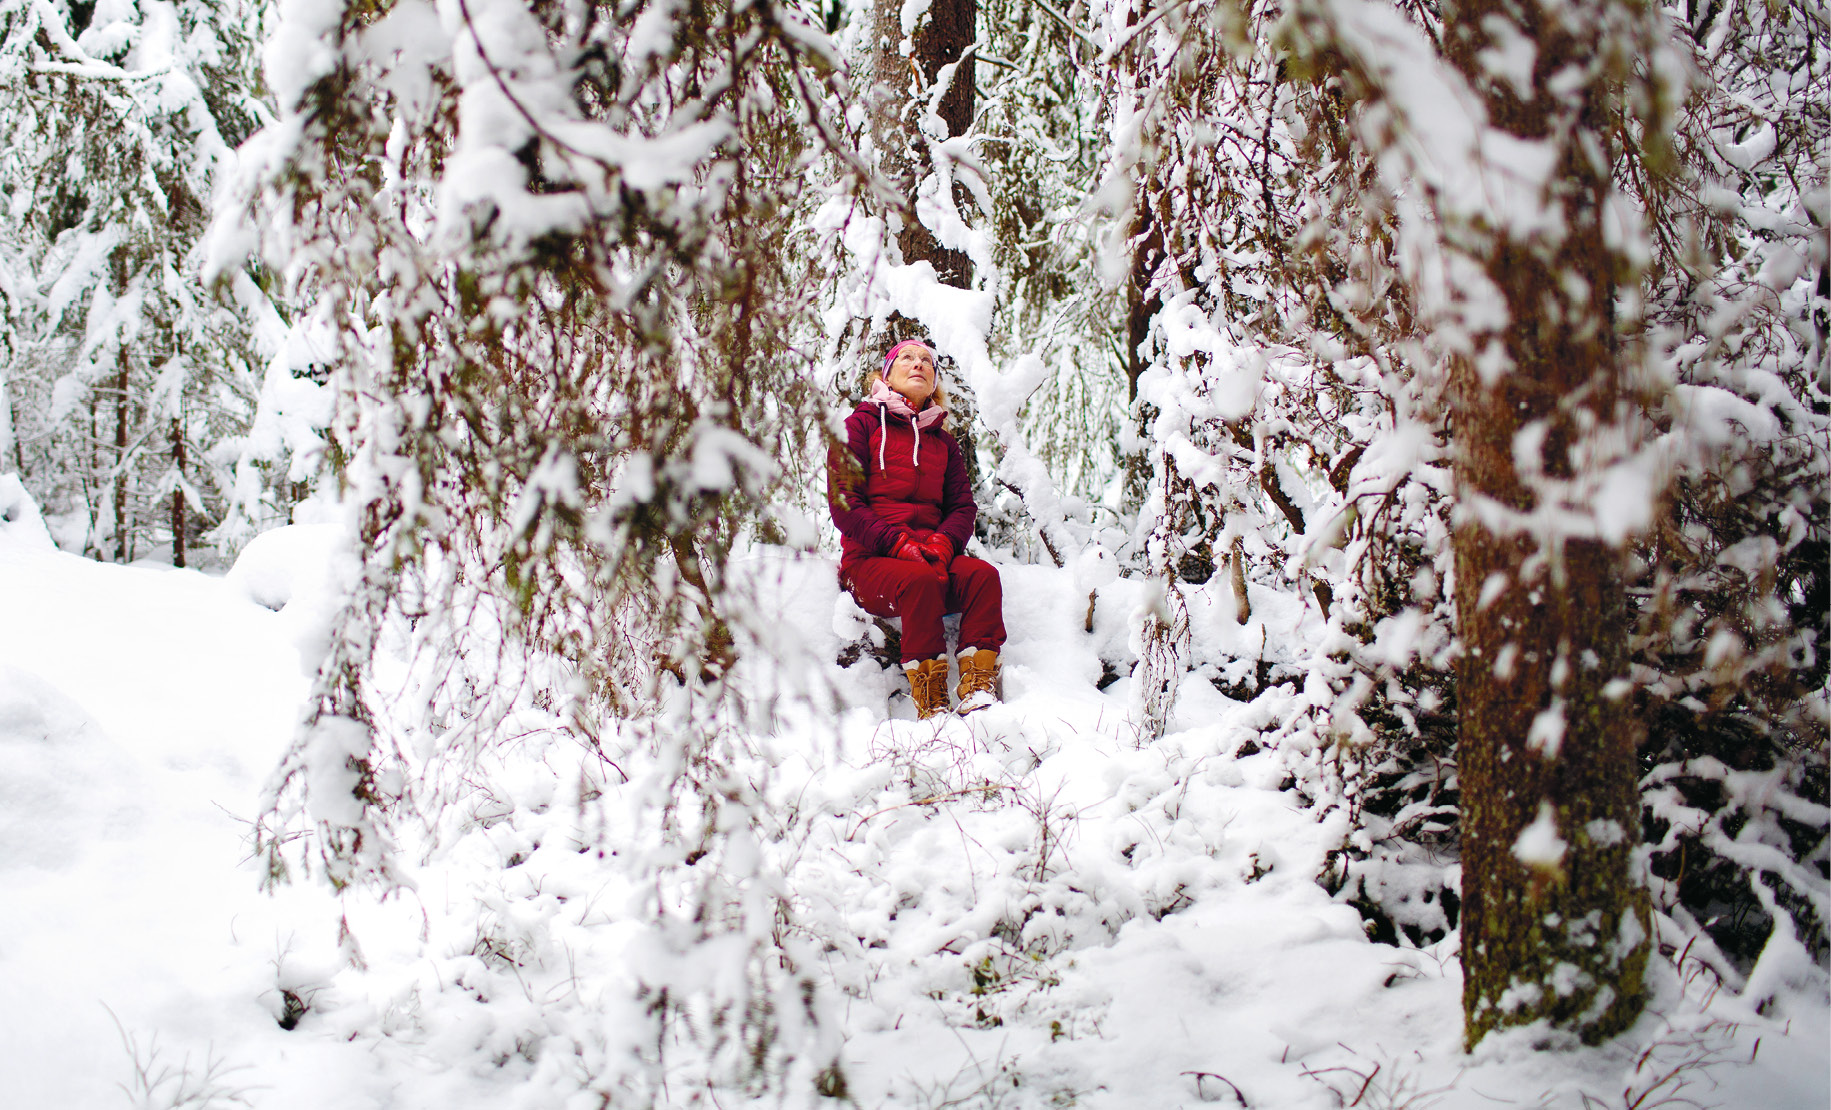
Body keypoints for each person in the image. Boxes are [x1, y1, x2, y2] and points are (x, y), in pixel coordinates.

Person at [828, 339, 1006, 719]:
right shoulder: (858, 426)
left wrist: (944, 543)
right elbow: (845, 504)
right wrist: (896, 544)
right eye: (907, 357)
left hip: (931, 556)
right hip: (871, 561)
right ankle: (932, 700)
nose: (919, 364)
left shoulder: (943, 443)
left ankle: (977, 688)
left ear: (934, 382)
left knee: (982, 577)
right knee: (918, 582)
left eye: (927, 360)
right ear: (887, 374)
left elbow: (962, 507)